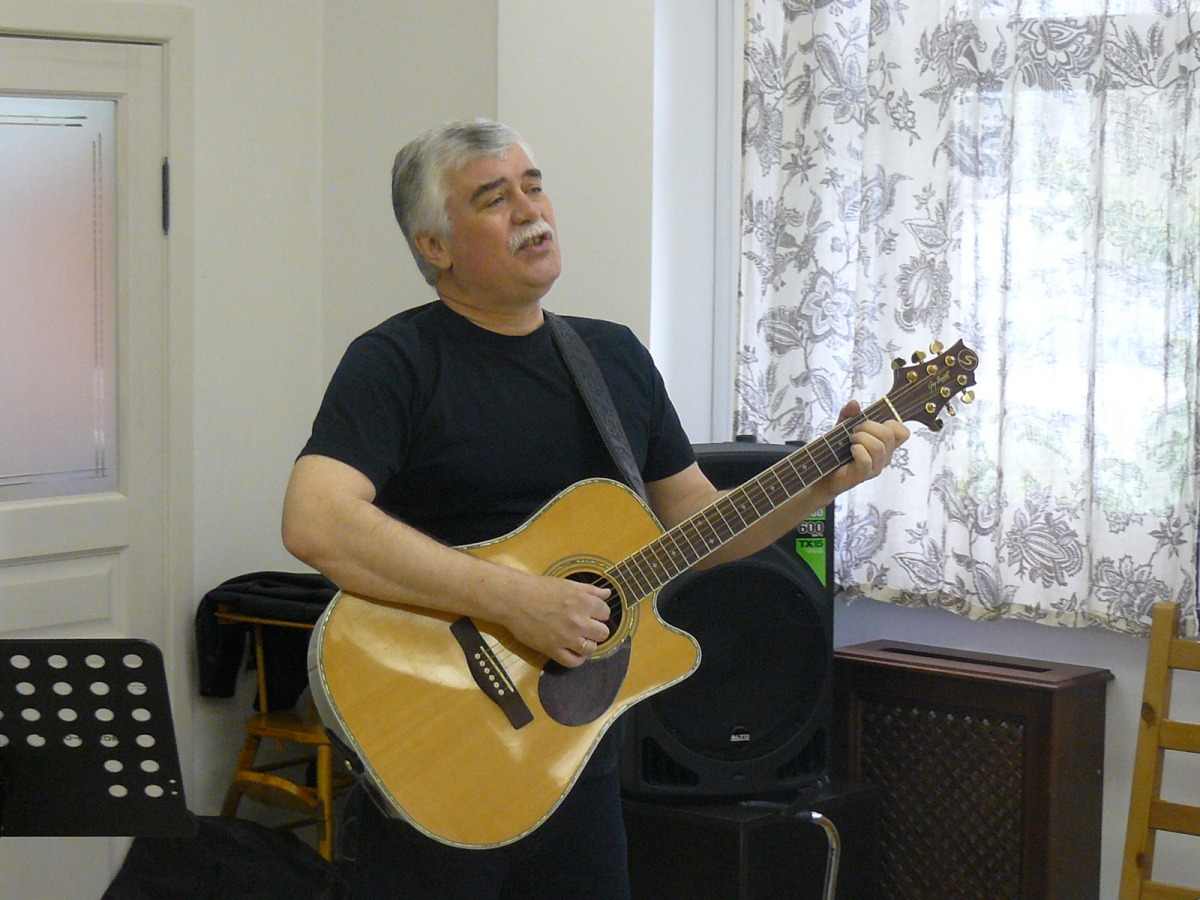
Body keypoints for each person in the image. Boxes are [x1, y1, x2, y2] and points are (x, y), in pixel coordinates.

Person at [281, 119, 908, 900]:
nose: (529, 210)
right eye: (493, 199)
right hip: (437, 751)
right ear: (435, 246)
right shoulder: (396, 362)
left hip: (576, 760)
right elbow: (316, 521)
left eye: (534, 186)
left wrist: (821, 483)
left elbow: (701, 528)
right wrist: (518, 600)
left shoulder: (613, 359)